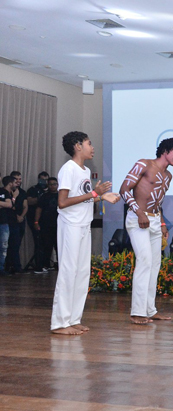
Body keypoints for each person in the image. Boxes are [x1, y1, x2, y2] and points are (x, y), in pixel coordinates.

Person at [51, 132, 120, 335]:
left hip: (83, 225)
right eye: (89, 143)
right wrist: (95, 193)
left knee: (82, 273)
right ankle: (59, 323)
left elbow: (84, 198)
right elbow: (62, 202)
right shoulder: (68, 169)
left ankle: (73, 319)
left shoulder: (86, 170)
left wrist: (102, 197)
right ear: (78, 146)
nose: (93, 147)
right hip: (70, 225)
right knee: (68, 272)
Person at [120, 137, 173, 324]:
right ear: (165, 151)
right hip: (138, 218)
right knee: (145, 261)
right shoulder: (144, 164)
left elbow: (158, 201)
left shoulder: (168, 176)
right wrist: (139, 212)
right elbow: (124, 189)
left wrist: (162, 224)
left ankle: (150, 310)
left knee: (155, 265)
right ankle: (137, 312)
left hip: (155, 220)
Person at [33, 177, 59, 273]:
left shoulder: (61, 195)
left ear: (58, 185)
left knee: (59, 246)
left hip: (59, 225)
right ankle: (45, 265)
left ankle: (61, 265)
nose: (52, 186)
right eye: (50, 184)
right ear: (48, 185)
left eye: (54, 184)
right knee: (46, 246)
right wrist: (36, 222)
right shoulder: (44, 196)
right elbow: (38, 209)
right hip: (46, 225)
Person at [26, 171, 50, 270]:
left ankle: (47, 264)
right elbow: (29, 201)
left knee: (48, 243)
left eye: (46, 180)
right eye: (42, 180)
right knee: (38, 242)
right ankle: (38, 264)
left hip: (48, 221)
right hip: (35, 219)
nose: (44, 182)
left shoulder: (51, 190)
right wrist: (41, 198)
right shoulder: (33, 189)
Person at [5, 171, 27, 274]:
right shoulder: (6, 192)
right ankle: (8, 266)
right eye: (16, 179)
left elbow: (25, 206)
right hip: (9, 220)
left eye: (20, 179)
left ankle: (16, 266)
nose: (18, 181)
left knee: (16, 244)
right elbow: (10, 206)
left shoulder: (22, 192)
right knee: (8, 244)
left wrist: (21, 216)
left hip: (20, 221)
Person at [0, 176, 14, 276]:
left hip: (3, 222)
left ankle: (1, 268)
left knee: (3, 247)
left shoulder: (4, 191)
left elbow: (9, 204)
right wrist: (3, 204)